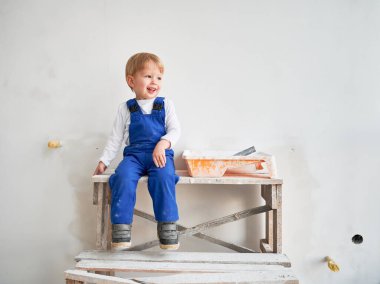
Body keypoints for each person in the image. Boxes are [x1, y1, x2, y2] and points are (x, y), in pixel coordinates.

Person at [93, 52, 181, 250]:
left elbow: (175, 130)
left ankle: (167, 226)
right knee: (122, 177)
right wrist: (104, 160)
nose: (154, 81)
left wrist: (163, 143)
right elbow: (115, 138)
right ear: (131, 81)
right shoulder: (126, 108)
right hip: (134, 156)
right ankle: (121, 228)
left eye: (158, 77)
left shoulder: (166, 104)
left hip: (160, 155)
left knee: (164, 177)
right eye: (148, 76)